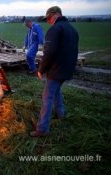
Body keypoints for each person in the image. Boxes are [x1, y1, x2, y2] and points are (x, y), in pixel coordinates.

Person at [30, 6, 79, 137]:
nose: (48, 21)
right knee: (56, 91)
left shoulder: (55, 29)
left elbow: (49, 52)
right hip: (67, 69)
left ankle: (42, 129)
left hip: (56, 70)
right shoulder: (72, 29)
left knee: (47, 97)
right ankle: (61, 113)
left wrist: (41, 69)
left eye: (49, 18)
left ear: (56, 14)